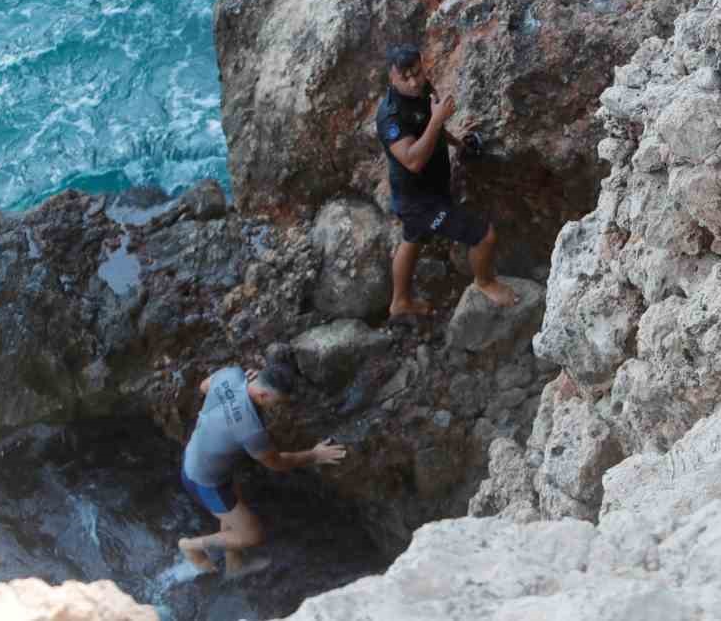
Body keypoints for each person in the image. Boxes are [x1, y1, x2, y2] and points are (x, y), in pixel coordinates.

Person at [377, 43, 518, 315]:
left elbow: (435, 129)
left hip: (431, 188)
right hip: (419, 200)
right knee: (483, 236)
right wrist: (437, 120)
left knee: (413, 238)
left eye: (417, 72)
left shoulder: (424, 88)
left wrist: (457, 143)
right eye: (405, 77)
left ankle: (400, 302)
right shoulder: (390, 117)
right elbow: (412, 160)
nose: (414, 81)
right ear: (391, 78)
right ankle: (485, 282)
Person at [176, 362, 345, 575]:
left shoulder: (232, 373)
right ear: (263, 395)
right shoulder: (251, 430)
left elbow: (203, 386)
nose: (277, 408)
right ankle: (191, 547)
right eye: (277, 403)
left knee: (232, 510)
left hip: (196, 457)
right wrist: (314, 455)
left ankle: (234, 563)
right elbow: (277, 463)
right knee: (252, 535)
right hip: (206, 482)